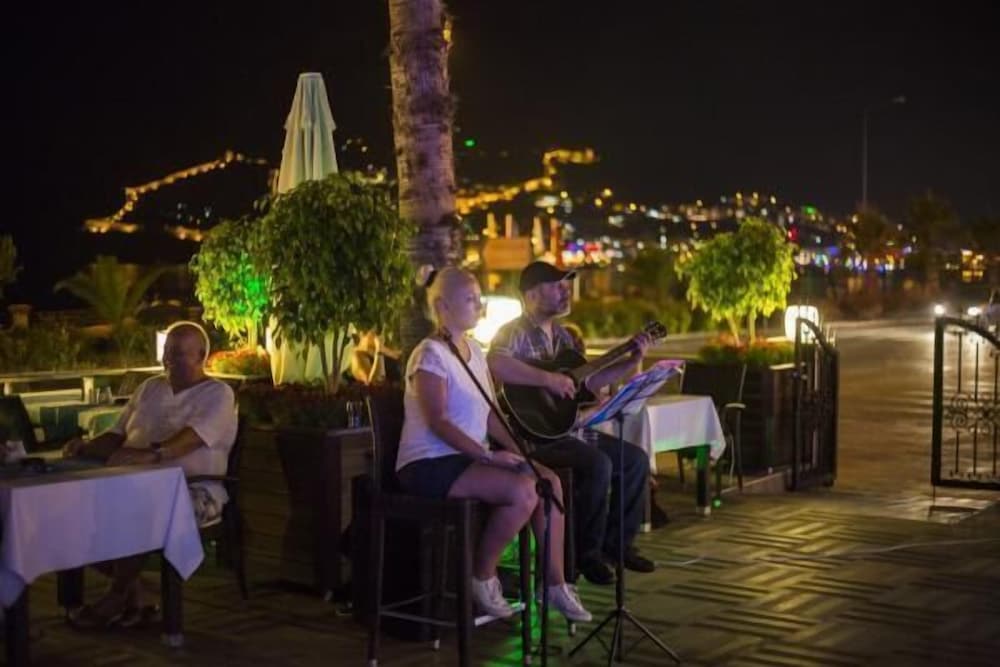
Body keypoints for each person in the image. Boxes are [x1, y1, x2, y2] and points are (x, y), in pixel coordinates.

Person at [396, 266, 591, 622]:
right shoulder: (429, 354)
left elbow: (489, 414)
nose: (479, 305)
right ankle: (482, 575)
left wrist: (520, 453)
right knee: (523, 492)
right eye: (470, 299)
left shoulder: (473, 349)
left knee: (548, 481)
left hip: (467, 459)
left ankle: (554, 584)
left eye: (479, 298)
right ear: (442, 306)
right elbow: (438, 421)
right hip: (430, 462)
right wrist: (488, 455)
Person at [488, 261, 656, 586]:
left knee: (635, 460)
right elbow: (496, 363)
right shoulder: (513, 332)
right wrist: (547, 380)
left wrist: (632, 360)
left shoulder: (564, 337)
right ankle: (584, 555)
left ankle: (617, 546)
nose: (566, 292)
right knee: (599, 464)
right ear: (531, 294)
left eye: (566, 285)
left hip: (564, 431)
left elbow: (587, 384)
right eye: (557, 286)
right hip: (531, 437)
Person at [62, 321, 238, 628]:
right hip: (130, 482)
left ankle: (117, 596)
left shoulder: (217, 394)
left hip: (192, 489)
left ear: (201, 356)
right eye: (166, 352)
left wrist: (151, 455)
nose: (168, 360)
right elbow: (117, 434)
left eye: (177, 353)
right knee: (67, 507)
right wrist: (85, 447)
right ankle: (137, 590)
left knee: (137, 510)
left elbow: (191, 439)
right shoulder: (150, 388)